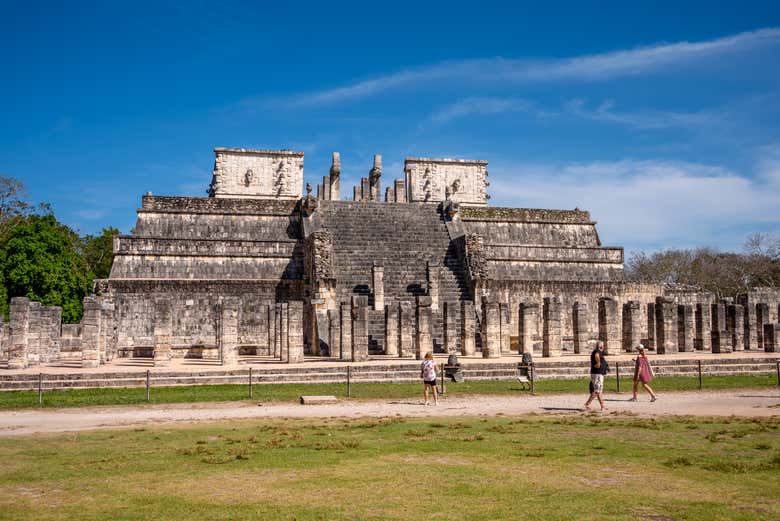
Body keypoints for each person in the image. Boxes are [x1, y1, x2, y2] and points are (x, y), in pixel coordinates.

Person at [584, 341, 608, 411]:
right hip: (597, 374)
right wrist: (598, 362)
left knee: (599, 391)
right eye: (603, 345)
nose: (604, 347)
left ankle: (602, 406)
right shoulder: (597, 351)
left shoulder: (598, 352)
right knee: (597, 391)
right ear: (601, 346)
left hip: (598, 373)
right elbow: (596, 355)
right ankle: (587, 404)